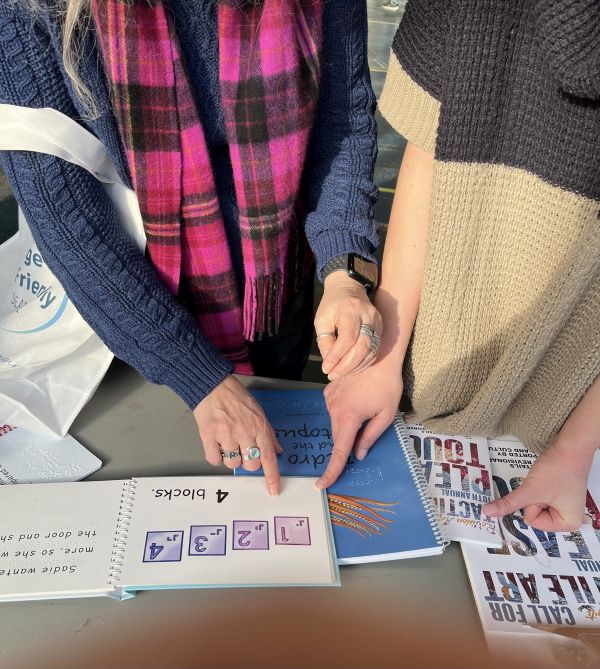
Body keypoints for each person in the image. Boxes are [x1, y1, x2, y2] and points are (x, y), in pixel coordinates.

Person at [0, 0, 382, 494]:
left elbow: (342, 122)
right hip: (125, 324)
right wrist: (198, 377)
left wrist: (345, 273)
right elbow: (65, 216)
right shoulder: (28, 10)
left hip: (275, 289)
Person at [317, 0, 600, 533]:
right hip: (443, 380)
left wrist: (575, 450)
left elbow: (424, 149)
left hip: (574, 421)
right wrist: (386, 355)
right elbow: (429, 147)